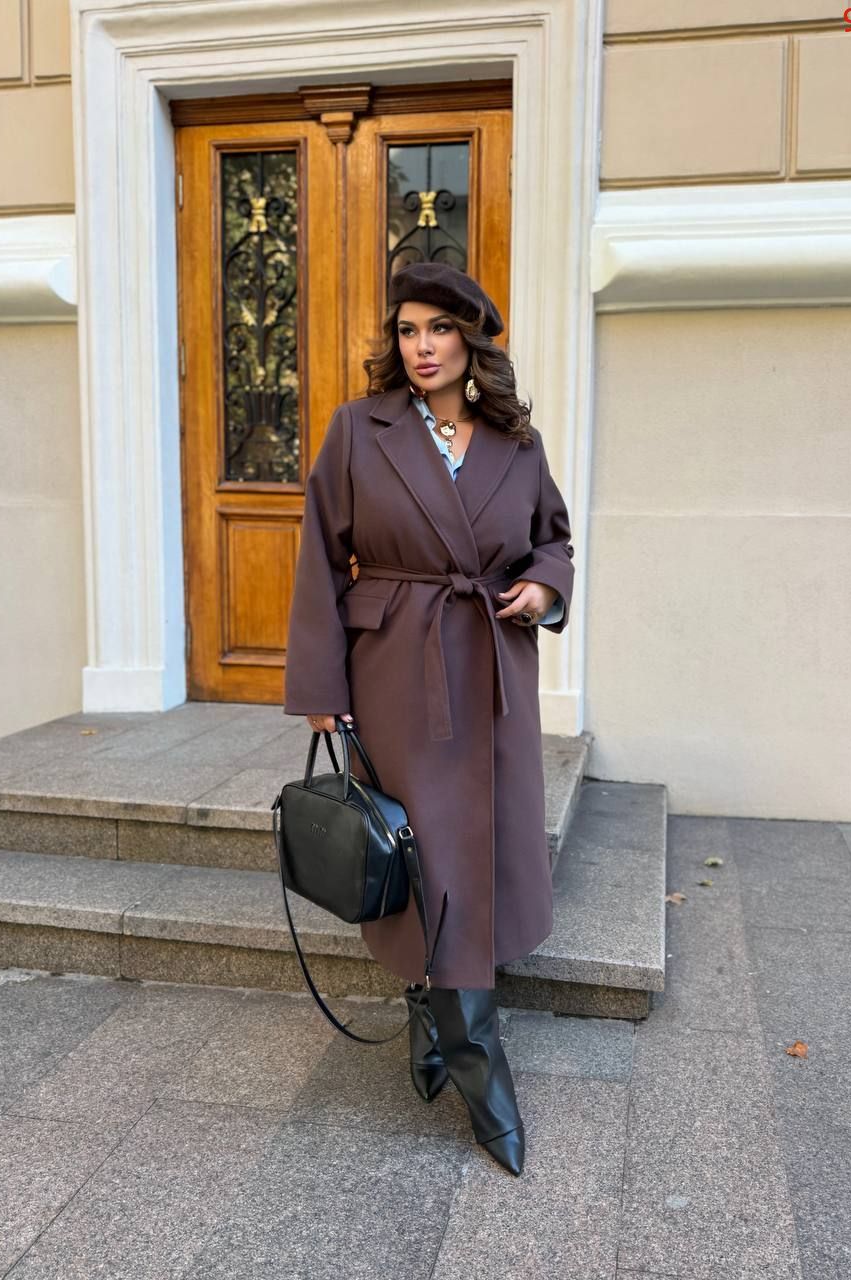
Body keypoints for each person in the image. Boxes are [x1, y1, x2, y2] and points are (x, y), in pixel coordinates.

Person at [283, 261, 575, 1176]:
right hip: (397, 673)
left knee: (470, 854)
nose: (421, 347)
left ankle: (430, 1015)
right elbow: (319, 557)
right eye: (407, 330)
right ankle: (482, 1070)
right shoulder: (358, 429)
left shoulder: (516, 442)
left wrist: (544, 589)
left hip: (490, 670)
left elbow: (553, 539)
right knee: (427, 854)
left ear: (471, 340)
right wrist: (320, 684)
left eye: (439, 329)